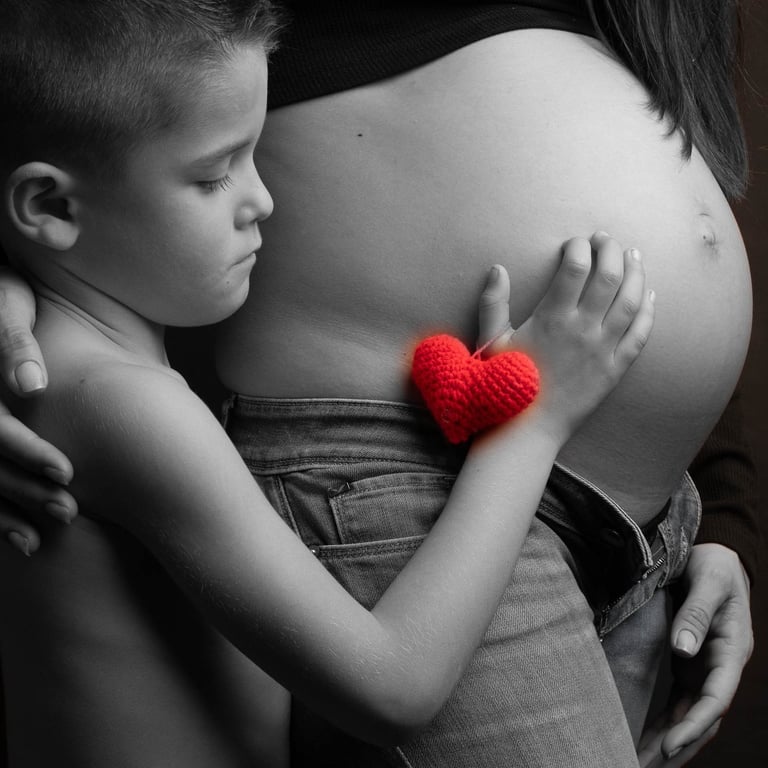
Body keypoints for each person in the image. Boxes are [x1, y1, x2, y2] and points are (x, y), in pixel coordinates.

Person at [0, 0, 757, 766]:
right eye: (214, 175)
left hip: (615, 519)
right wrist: (535, 417)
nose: (263, 200)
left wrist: (718, 498)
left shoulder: (119, 386)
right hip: (408, 480)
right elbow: (393, 685)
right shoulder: (121, 404)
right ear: (48, 206)